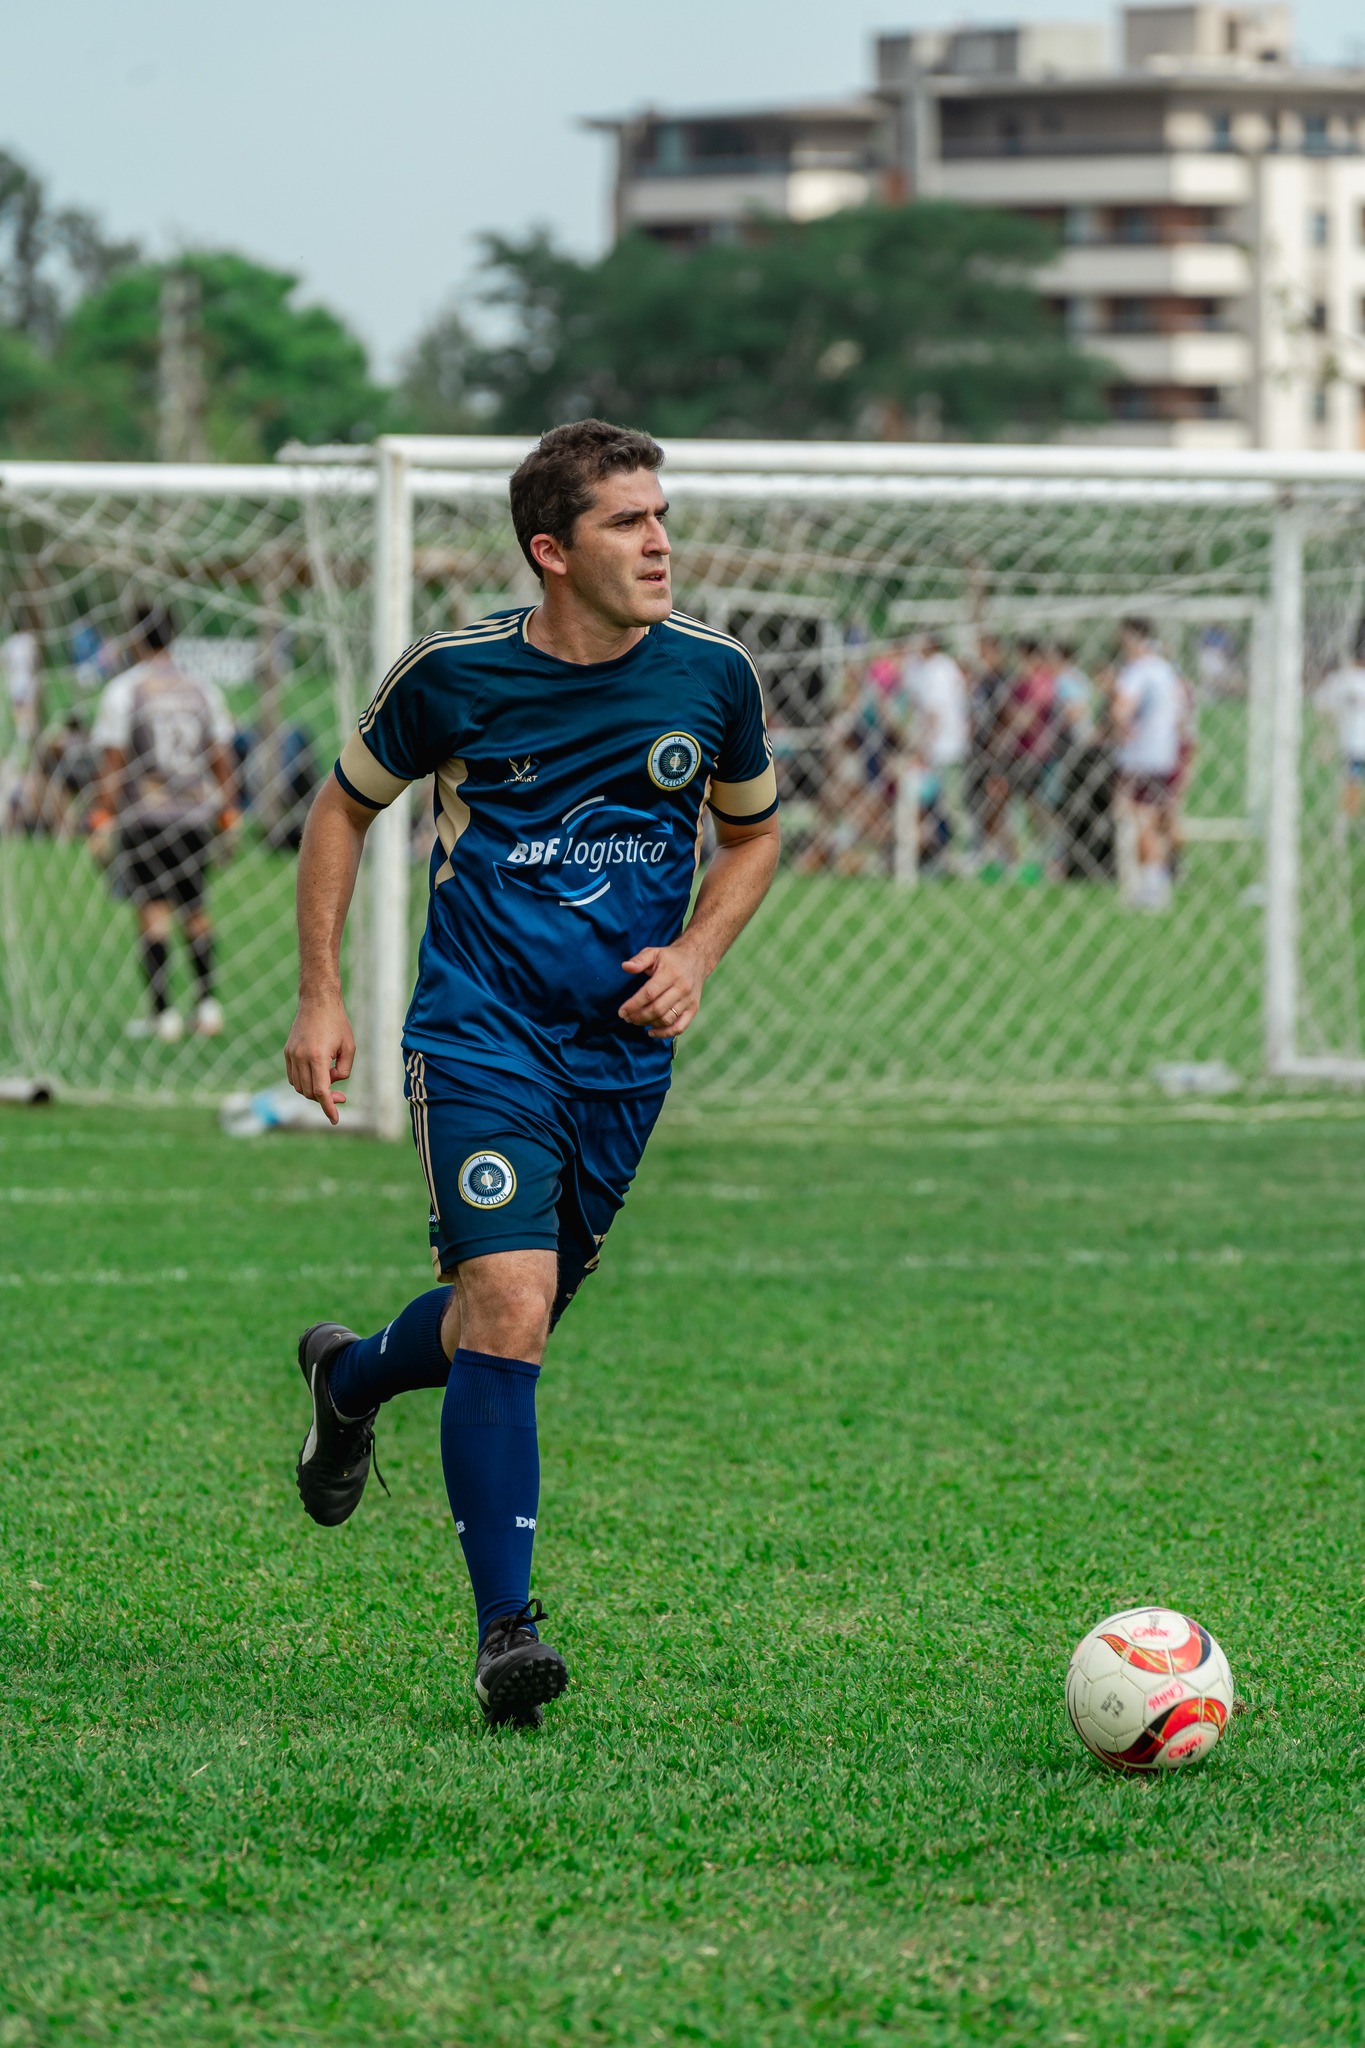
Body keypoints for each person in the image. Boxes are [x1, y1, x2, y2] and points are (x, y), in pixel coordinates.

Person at [283, 419, 780, 1731]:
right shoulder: (453, 676)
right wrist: (322, 991)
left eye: (662, 515)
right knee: (507, 1302)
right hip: (479, 1031)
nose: (660, 542)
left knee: (513, 1314)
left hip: (621, 1061)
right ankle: (507, 1633)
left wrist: (697, 952)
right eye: (628, 521)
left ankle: (350, 1379)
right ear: (552, 551)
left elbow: (753, 835)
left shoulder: (713, 675)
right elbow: (341, 806)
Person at [90, 605, 239, 1041]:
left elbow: (113, 763)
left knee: (153, 912)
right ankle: (208, 1007)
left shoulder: (125, 690)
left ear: (136, 638)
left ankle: (164, 1015)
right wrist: (228, 811)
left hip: (147, 815)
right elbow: (221, 756)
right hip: (194, 815)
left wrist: (101, 817)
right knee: (195, 911)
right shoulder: (202, 689)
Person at [1112, 617, 1186, 910]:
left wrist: (1123, 730)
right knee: (1156, 820)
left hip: (1141, 757)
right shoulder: (1166, 671)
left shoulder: (1137, 672)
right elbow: (1180, 715)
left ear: (1132, 639)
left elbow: (1122, 710)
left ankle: (1153, 886)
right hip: (1164, 755)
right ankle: (1157, 881)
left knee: (1141, 820)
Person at [901, 634, 970, 871]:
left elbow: (934, 712)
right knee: (943, 805)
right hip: (950, 746)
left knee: (952, 804)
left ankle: (965, 853)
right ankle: (948, 854)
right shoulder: (945, 667)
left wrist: (923, 746)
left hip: (944, 748)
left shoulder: (935, 670)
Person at [1315, 631, 1365, 825]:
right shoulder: (1343, 679)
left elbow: (1322, 707)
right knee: (1352, 782)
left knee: (1352, 782)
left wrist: (1326, 735)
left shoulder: (1340, 679)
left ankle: (1345, 823)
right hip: (1354, 744)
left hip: (1351, 744)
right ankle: (1347, 823)